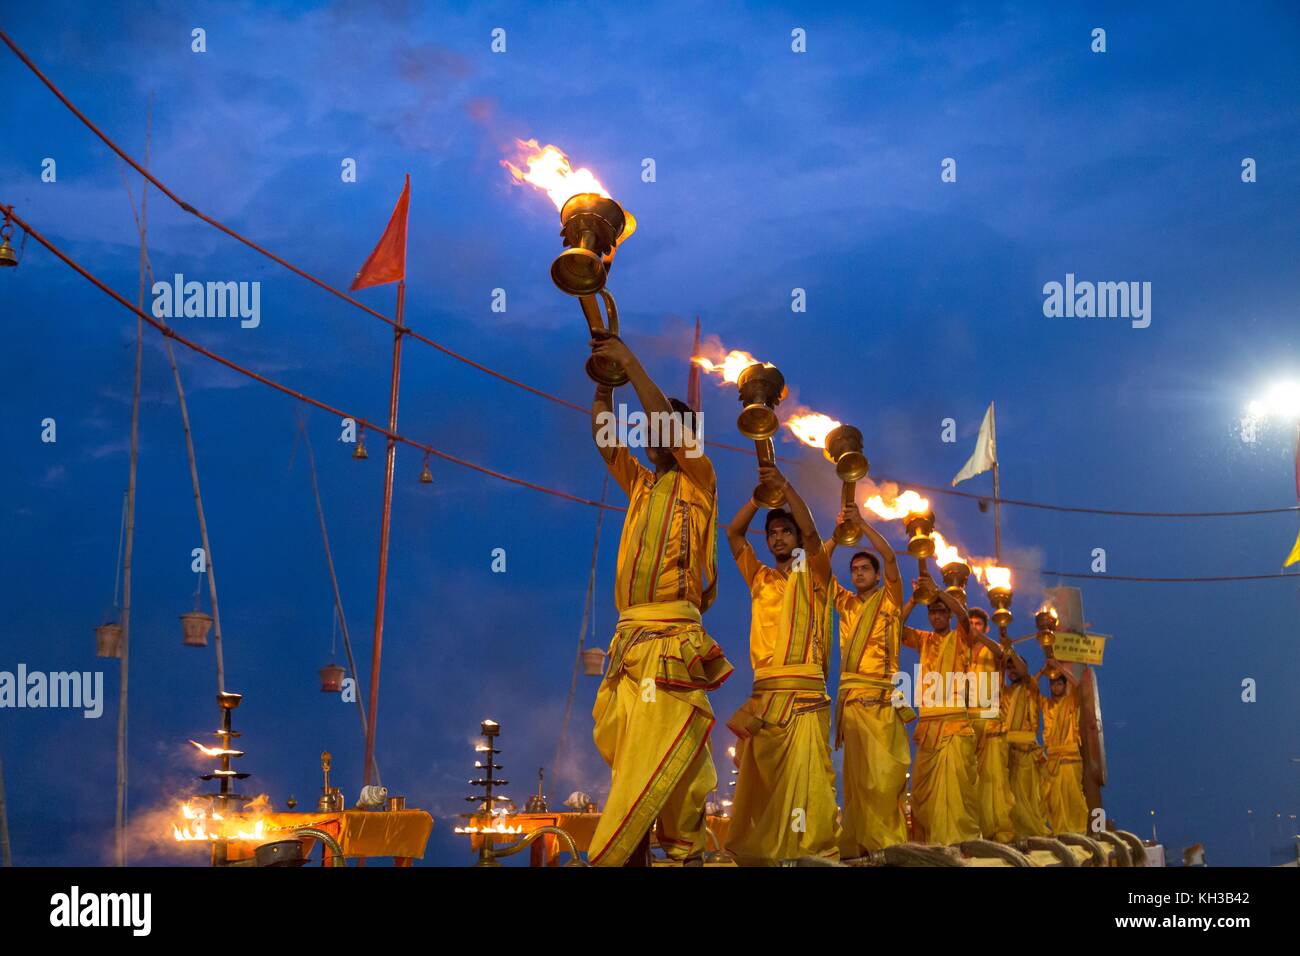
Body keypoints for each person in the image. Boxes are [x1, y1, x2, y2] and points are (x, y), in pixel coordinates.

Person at [586, 333, 733, 867]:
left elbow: (668, 425)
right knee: (632, 755)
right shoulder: (642, 485)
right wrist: (605, 387)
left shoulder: (701, 479)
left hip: (671, 641)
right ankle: (644, 855)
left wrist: (632, 362)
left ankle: (645, 854)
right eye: (646, 429)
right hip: (629, 642)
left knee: (663, 757)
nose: (651, 435)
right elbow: (607, 442)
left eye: (661, 428)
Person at [724, 464, 840, 864]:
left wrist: (785, 487)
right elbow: (733, 534)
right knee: (766, 782)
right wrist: (759, 500)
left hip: (805, 693)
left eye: (784, 531)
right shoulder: (758, 577)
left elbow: (811, 533)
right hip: (765, 695)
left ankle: (808, 851)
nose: (777, 537)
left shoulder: (816, 574)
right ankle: (774, 851)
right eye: (772, 533)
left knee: (807, 780)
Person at [823, 504, 911, 854]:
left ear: (876, 575)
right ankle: (860, 845)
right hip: (852, 706)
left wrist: (862, 524)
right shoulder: (844, 603)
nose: (858, 573)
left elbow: (890, 557)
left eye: (864, 568)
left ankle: (888, 847)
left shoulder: (890, 600)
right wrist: (836, 535)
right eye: (854, 569)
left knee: (884, 780)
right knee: (858, 783)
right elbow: (816, 570)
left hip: (883, 703)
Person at [899, 580, 983, 844]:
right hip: (928, 726)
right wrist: (914, 599)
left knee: (957, 788)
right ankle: (932, 844)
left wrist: (937, 591)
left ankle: (961, 844)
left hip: (956, 725)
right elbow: (895, 628)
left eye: (941, 611)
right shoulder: (923, 640)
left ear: (947, 614)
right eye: (932, 611)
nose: (937, 615)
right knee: (923, 789)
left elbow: (964, 615)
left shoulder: (962, 637)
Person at [966, 607, 1014, 841]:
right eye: (970, 623)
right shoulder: (959, 649)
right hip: (965, 722)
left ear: (985, 627)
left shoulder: (992, 649)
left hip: (990, 721)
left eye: (978, 623)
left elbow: (1004, 652)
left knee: (993, 779)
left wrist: (982, 638)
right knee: (967, 779)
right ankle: (972, 831)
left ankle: (998, 832)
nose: (974, 627)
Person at [1001, 650, 1050, 838]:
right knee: (1010, 797)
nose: (1012, 670)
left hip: (1027, 752)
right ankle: (1015, 834)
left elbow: (1027, 675)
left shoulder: (1030, 687)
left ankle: (1032, 835)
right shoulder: (1004, 691)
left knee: (1028, 797)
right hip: (1007, 752)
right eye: (1009, 667)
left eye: (1015, 666)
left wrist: (1009, 647)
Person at [1039, 658, 1090, 835]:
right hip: (1052, 760)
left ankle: (1079, 832)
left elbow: (1078, 684)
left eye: (1059, 684)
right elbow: (1030, 689)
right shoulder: (1046, 704)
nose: (1056, 688)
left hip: (1070, 757)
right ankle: (1060, 833)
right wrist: (1042, 670)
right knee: (1053, 801)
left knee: (1074, 797)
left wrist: (1060, 667)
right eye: (1053, 684)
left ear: (1063, 685)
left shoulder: (1071, 701)